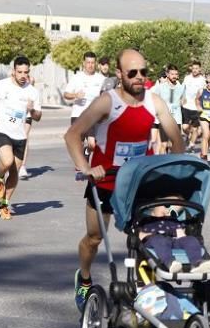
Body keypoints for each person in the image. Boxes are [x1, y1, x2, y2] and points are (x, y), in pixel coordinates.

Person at [64, 48, 184, 312]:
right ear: (120, 74)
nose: (139, 77)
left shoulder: (155, 102)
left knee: (149, 233)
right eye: (132, 73)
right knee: (94, 238)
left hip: (140, 180)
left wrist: (175, 171)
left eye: (143, 72)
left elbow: (176, 138)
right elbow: (73, 135)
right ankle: (83, 279)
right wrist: (86, 167)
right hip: (105, 181)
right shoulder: (107, 102)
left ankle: (146, 289)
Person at [0, 55, 42, 220]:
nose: (23, 75)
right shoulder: (1, 85)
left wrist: (32, 110)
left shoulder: (32, 92)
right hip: (1, 131)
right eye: (20, 72)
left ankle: (4, 205)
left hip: (20, 136)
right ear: (13, 71)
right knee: (7, 162)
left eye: (26, 72)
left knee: (14, 173)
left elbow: (38, 116)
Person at [139, 200, 210, 275]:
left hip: (174, 241)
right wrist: (143, 235)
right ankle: (170, 263)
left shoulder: (173, 221)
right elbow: (139, 233)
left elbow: (181, 235)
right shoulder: (145, 220)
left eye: (172, 211)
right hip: (154, 240)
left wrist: (185, 238)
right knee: (160, 240)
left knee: (191, 240)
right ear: (154, 205)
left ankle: (197, 262)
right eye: (167, 206)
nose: (168, 212)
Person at [63, 52, 106, 153]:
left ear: (95, 63)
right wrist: (75, 95)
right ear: (83, 63)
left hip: (94, 116)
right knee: (79, 144)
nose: (90, 65)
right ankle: (81, 164)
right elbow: (66, 94)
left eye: (92, 62)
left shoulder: (101, 79)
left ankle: (86, 152)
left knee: (92, 144)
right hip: (78, 114)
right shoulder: (77, 78)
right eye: (88, 62)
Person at [156, 65, 185, 154]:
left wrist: (181, 102)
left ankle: (173, 164)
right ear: (167, 74)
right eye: (172, 74)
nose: (174, 76)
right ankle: (161, 165)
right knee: (163, 144)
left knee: (174, 144)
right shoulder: (161, 87)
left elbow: (183, 100)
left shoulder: (181, 87)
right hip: (164, 119)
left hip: (177, 119)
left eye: (176, 74)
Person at [180, 61, 206, 152]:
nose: (195, 70)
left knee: (195, 128)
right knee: (185, 127)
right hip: (186, 106)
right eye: (193, 68)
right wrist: (182, 98)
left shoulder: (203, 80)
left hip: (196, 107)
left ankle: (191, 145)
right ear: (191, 69)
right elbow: (182, 88)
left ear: (199, 69)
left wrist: (202, 106)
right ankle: (189, 135)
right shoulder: (187, 78)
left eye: (196, 68)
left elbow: (205, 93)